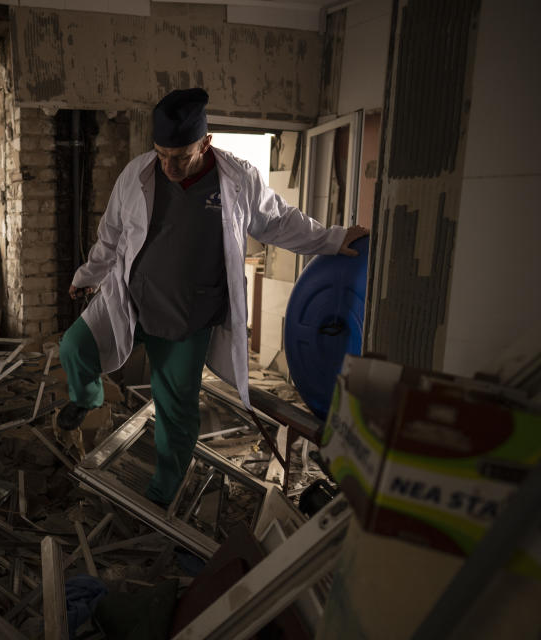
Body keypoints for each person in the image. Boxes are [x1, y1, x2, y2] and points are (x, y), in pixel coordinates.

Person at [57, 87, 368, 506]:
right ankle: (87, 398)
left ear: (206, 143)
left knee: (176, 411)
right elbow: (111, 235)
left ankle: (160, 494)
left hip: (189, 316)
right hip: (131, 299)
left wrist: (333, 239)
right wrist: (89, 275)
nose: (167, 166)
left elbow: (279, 221)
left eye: (180, 157)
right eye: (161, 154)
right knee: (75, 346)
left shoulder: (238, 179)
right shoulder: (137, 173)